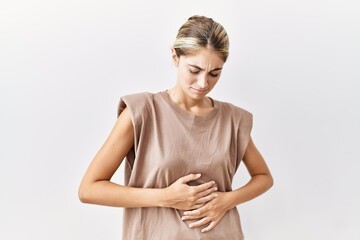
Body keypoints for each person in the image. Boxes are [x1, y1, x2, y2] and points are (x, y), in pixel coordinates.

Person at [78, 15, 273, 240]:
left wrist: (227, 201)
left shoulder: (233, 119)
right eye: (194, 70)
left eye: (214, 73)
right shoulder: (142, 111)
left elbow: (263, 176)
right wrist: (165, 197)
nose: (203, 83)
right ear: (175, 57)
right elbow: (89, 189)